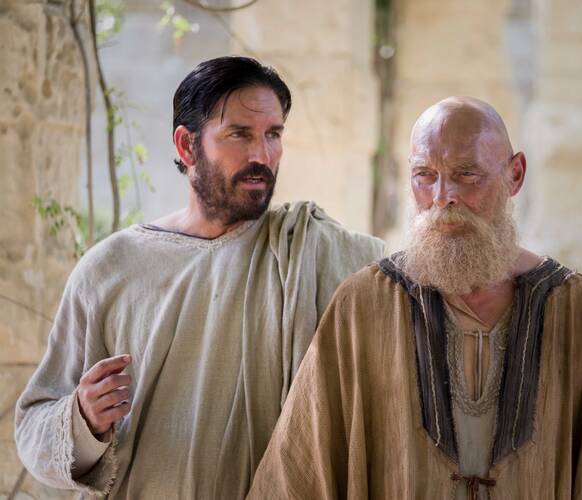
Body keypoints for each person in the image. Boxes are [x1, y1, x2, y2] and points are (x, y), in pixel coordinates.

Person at [249, 96, 582, 499]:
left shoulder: (578, 312)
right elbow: (298, 474)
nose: (444, 196)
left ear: (515, 175)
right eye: (425, 175)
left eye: (467, 174)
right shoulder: (364, 305)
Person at [15, 56, 384, 498]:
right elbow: (35, 426)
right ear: (187, 146)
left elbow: (399, 306)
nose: (262, 156)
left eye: (273, 135)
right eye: (239, 135)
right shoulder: (110, 268)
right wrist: (84, 419)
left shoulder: (312, 252)